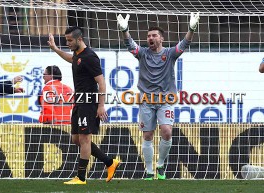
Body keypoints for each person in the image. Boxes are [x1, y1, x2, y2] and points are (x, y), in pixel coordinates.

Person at [117, 13, 200, 180]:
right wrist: (125, 30)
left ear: (161, 38)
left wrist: (191, 29)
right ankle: (149, 171)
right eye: (148, 36)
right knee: (147, 135)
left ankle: (161, 165)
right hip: (146, 100)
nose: (150, 38)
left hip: (165, 100)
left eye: (154, 35)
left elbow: (184, 44)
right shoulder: (142, 53)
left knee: (167, 131)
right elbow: (129, 44)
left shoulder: (170, 53)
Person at [48, 26, 120, 184]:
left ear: (79, 39)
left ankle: (80, 177)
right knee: (76, 139)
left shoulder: (90, 57)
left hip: (89, 102)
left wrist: (101, 106)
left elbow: (101, 82)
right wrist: (55, 49)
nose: (68, 43)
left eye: (70, 40)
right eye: (66, 40)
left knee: (85, 139)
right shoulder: (78, 54)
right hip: (79, 101)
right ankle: (109, 162)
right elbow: (72, 59)